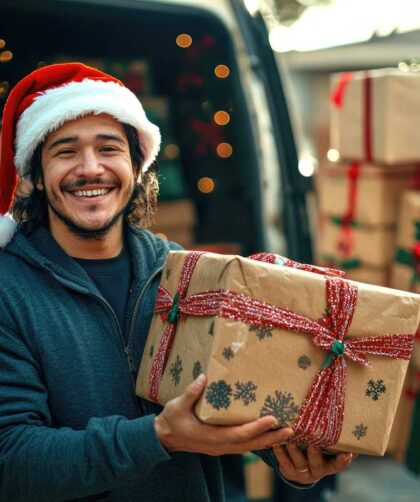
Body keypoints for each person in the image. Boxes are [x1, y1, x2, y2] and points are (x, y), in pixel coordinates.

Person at [0, 63, 354, 501]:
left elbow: (233, 394)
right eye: (65, 151)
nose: (90, 169)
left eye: (109, 148)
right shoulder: (8, 289)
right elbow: (11, 460)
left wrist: (290, 456)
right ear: (34, 175)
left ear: (136, 165)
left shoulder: (183, 271)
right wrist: (160, 436)